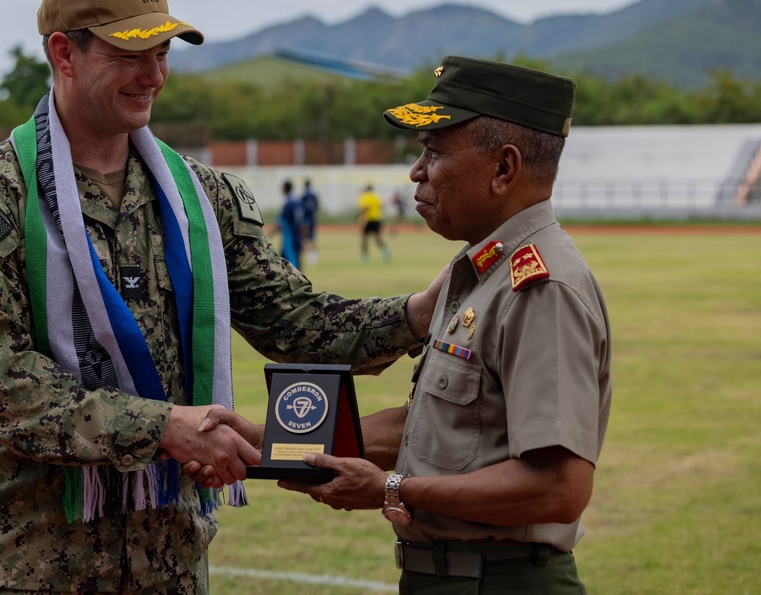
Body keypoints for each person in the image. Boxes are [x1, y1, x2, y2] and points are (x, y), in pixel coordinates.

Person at [0, 0, 440, 595]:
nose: (154, 74)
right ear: (63, 53)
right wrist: (162, 426)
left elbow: (298, 324)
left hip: (166, 565)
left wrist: (422, 312)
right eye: (130, 53)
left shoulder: (204, 197)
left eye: (163, 51)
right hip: (20, 565)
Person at [202, 57, 613, 594]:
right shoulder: (476, 273)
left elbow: (557, 488)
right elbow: (431, 426)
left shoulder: (540, 285)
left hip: (501, 579)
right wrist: (273, 443)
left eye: (435, 152)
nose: (417, 171)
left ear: (504, 169)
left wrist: (394, 488)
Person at [356, 184, 390, 263]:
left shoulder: (365, 196)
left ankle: (365, 257)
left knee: (364, 239)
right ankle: (385, 251)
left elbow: (366, 207)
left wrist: (360, 218)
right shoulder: (377, 197)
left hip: (368, 220)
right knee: (377, 238)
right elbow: (382, 206)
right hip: (377, 219)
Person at [275, 179, 304, 269]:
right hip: (297, 235)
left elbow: (280, 223)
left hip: (289, 238)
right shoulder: (297, 202)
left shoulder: (288, 204)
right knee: (295, 260)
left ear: (285, 189)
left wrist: (267, 235)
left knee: (291, 264)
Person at [300, 179, 319, 265]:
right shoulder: (314, 195)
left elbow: (300, 208)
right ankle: (313, 259)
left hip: (305, 219)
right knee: (312, 238)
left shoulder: (303, 196)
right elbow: (317, 207)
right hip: (312, 218)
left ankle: (304, 257)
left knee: (304, 238)